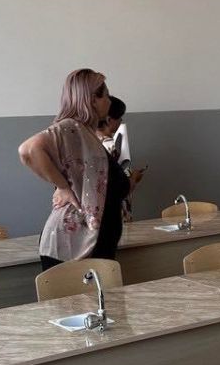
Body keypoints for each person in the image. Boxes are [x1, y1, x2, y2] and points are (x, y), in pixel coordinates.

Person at [18, 69, 130, 270]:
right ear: (92, 99)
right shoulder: (71, 127)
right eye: (105, 95)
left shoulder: (85, 133)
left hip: (90, 243)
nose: (109, 101)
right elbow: (28, 149)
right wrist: (62, 187)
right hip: (74, 247)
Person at [97, 96, 145, 221]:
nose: (121, 121)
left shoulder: (90, 141)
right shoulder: (110, 146)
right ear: (109, 120)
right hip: (114, 212)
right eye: (119, 118)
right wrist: (134, 177)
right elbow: (119, 188)